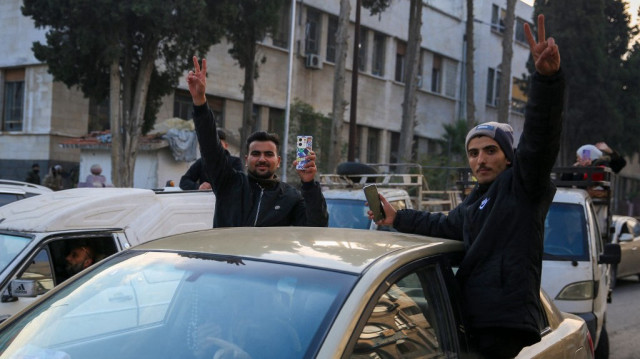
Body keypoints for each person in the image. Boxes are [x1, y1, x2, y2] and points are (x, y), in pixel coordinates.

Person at [369, 15, 562, 358]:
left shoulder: (521, 186)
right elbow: (444, 225)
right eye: (473, 153)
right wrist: (395, 217)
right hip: (472, 321)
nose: (480, 160)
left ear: (508, 157)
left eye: (490, 150)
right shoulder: (477, 200)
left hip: (503, 324)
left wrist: (546, 81)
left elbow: (540, 139)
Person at [187, 56, 328, 228]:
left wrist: (308, 184)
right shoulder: (229, 183)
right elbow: (210, 146)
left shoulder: (290, 197)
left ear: (278, 161)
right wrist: (200, 102)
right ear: (246, 160)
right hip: (226, 255)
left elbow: (316, 228)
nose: (262, 158)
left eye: (269, 154)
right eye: (256, 153)